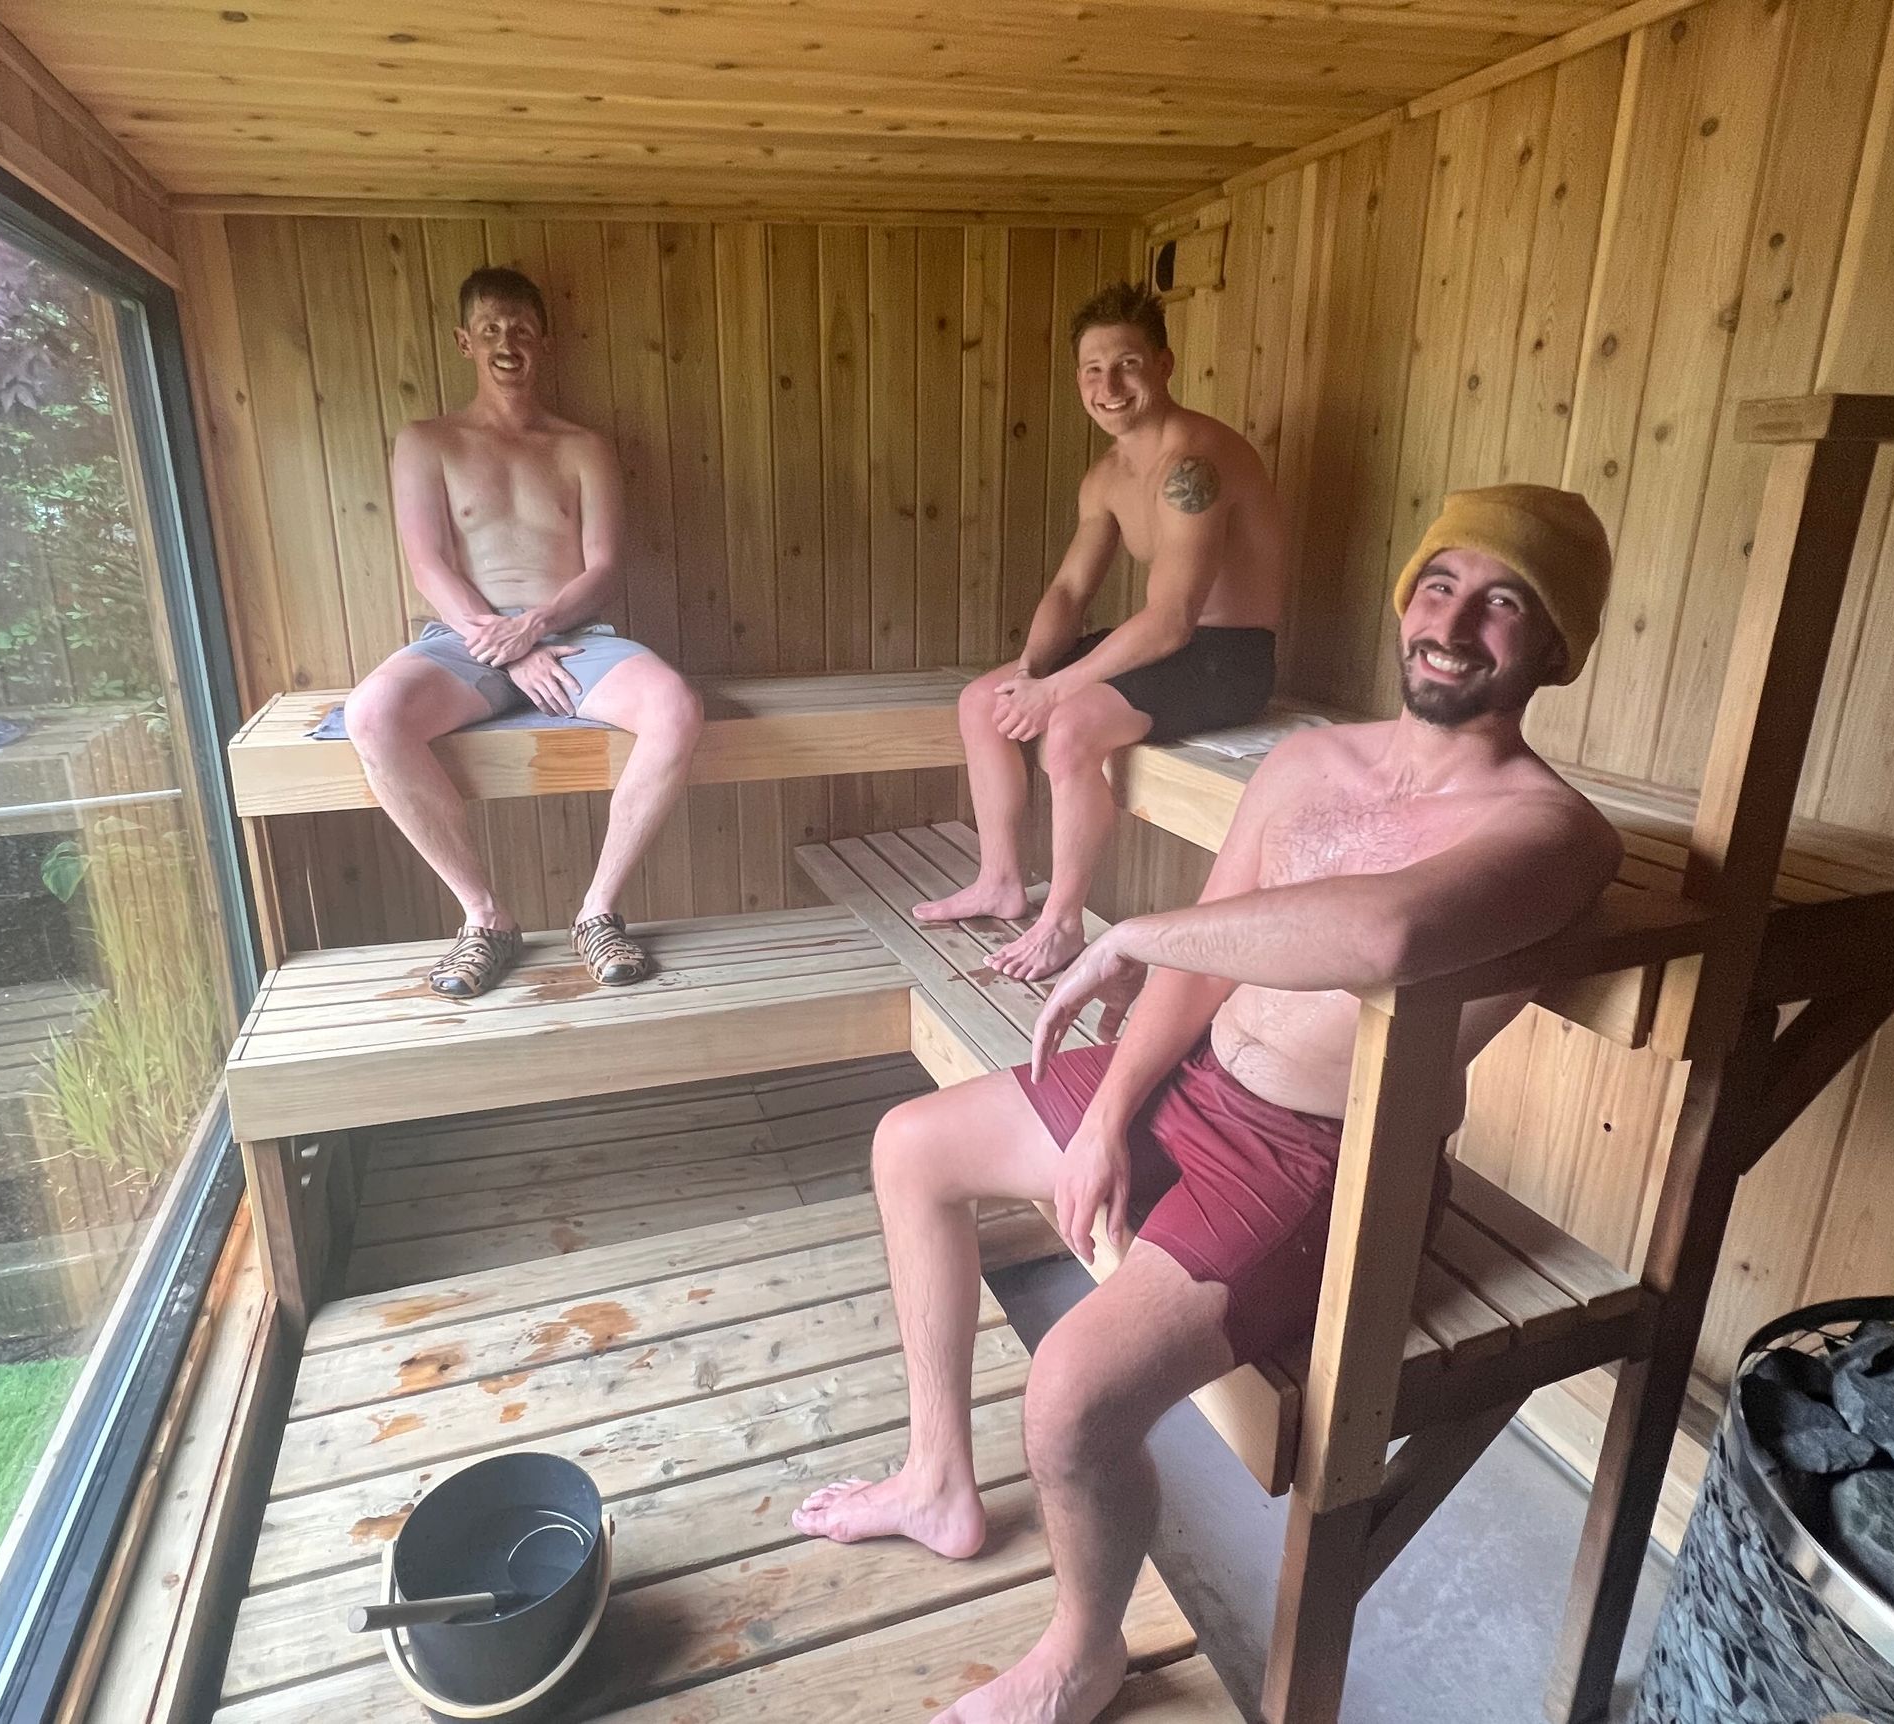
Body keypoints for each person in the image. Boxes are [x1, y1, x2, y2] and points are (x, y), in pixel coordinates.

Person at [794, 484, 1623, 1724]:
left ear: (1554, 646)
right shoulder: (1309, 760)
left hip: (1327, 1156)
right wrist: (1105, 1113)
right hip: (1191, 1076)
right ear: (1407, 602)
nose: (1454, 623)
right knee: (910, 1144)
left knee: (1070, 1394)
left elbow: (1385, 934)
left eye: (1503, 602)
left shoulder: (1552, 832)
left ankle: (1083, 1652)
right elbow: (1199, 963)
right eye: (1440, 584)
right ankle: (934, 1478)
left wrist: (1134, 927)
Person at [913, 280, 1289, 981]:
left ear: (1164, 365)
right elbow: (1069, 590)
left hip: (1228, 657)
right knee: (982, 700)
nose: (1108, 387)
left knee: (1068, 728)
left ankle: (1062, 922)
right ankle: (999, 880)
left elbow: (1173, 620)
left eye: (1127, 365)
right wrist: (1031, 672)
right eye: (1092, 370)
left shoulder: (1194, 465)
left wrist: (1055, 694)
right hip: (1165, 648)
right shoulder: (1108, 475)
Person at [344, 267, 703, 998]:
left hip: (575, 632)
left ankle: (598, 912)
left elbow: (603, 566)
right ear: (464, 342)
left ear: (544, 341)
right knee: (372, 714)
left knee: (676, 706)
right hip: (462, 639)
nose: (507, 343)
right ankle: (484, 918)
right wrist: (506, 649)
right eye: (490, 330)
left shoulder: (584, 447)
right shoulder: (427, 442)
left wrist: (536, 628)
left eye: (521, 330)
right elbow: (427, 563)